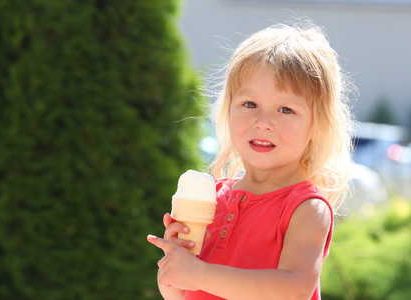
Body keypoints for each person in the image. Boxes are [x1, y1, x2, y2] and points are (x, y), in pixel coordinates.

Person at [147, 21, 355, 300]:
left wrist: (200, 273)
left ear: (317, 126)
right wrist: (176, 265)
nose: (263, 122)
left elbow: (293, 290)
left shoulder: (305, 208)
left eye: (285, 109)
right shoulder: (213, 199)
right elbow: (180, 294)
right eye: (250, 104)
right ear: (228, 110)